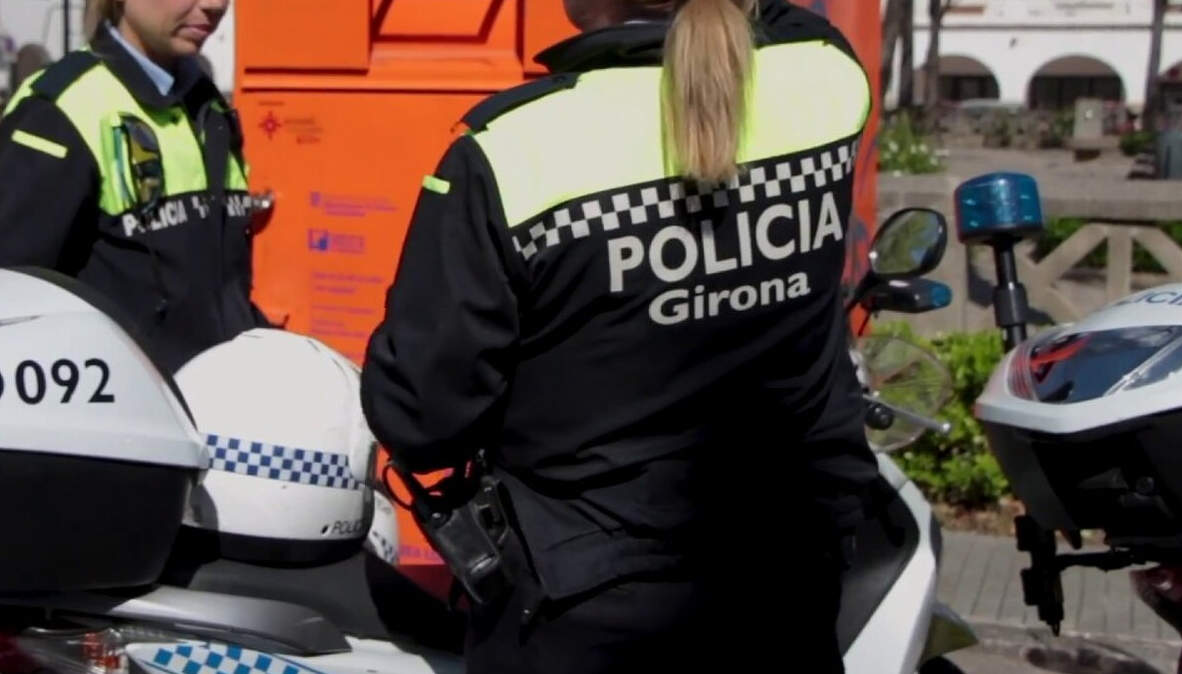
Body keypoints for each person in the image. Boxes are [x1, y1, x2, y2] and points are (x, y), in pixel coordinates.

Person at [361, 0, 877, 671]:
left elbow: (422, 419)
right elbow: (794, 20)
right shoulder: (827, 83)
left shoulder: (509, 150)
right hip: (787, 579)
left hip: (582, 601)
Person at [0, 0, 268, 372]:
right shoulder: (61, 112)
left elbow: (217, 295)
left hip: (215, 408)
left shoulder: (207, 105)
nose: (214, 5)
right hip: (121, 421)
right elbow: (12, 305)